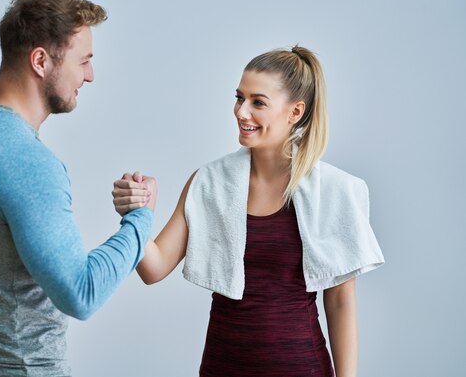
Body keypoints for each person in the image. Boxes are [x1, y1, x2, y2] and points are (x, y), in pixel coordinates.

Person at [0, 0, 156, 377]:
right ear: (40, 60)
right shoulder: (25, 159)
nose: (90, 74)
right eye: (83, 60)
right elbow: (81, 293)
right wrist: (140, 219)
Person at [119, 46, 385, 376]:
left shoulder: (334, 191)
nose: (241, 112)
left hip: (304, 368)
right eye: (239, 97)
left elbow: (341, 301)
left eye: (258, 102)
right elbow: (153, 268)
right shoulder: (208, 182)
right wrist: (137, 214)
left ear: (295, 112)